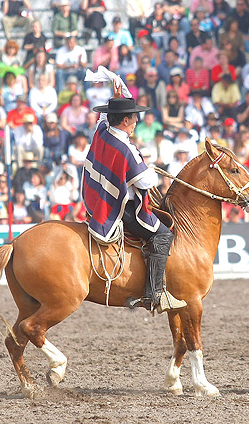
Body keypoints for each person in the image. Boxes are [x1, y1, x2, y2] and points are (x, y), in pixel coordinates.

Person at [82, 87, 186, 315]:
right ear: (126, 120)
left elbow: (102, 117)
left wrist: (117, 96)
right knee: (163, 234)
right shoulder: (126, 149)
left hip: (99, 200)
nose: (137, 120)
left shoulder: (103, 131)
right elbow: (146, 183)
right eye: (134, 117)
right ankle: (154, 294)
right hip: (121, 209)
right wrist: (149, 168)